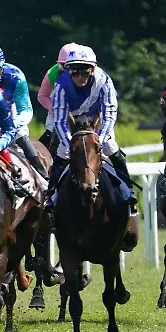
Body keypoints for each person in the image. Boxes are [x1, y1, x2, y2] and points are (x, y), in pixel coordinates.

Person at [47, 46, 137, 212]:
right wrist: (70, 144)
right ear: (68, 71)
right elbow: (59, 120)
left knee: (112, 148)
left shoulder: (104, 81)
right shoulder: (61, 85)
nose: (80, 77)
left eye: (85, 72)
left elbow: (109, 114)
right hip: (71, 121)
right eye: (75, 73)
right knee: (61, 153)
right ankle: (51, 196)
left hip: (97, 121)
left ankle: (128, 192)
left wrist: (100, 142)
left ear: (93, 70)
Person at [0, 45, 48, 179]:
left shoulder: (15, 77)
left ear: (2, 68)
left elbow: (26, 110)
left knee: (20, 135)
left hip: (9, 112)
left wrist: (11, 125)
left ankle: (44, 178)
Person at [37, 42, 84, 149]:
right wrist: (54, 108)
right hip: (59, 110)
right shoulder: (53, 72)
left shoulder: (90, 72)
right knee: (47, 141)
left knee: (108, 146)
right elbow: (42, 96)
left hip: (85, 113)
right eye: (64, 66)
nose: (68, 70)